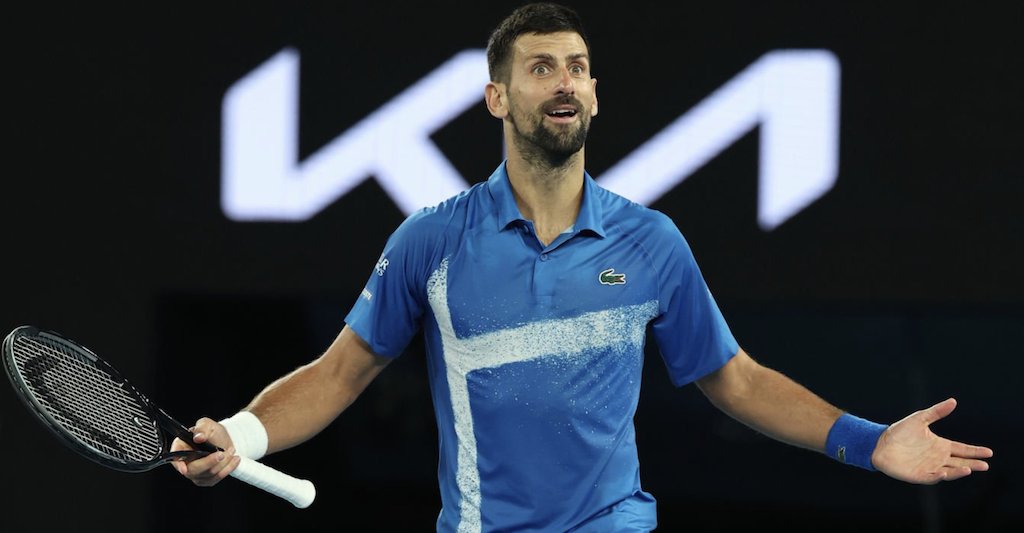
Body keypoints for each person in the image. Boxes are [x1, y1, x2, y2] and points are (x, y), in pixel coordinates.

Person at [172, 3, 994, 531]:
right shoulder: (431, 241)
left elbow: (735, 380)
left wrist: (868, 440)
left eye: (576, 67)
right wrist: (239, 434)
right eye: (539, 68)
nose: (563, 83)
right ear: (498, 97)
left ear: (595, 93)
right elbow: (342, 371)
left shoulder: (652, 244)